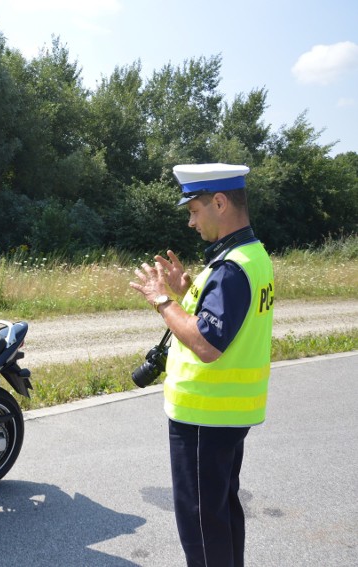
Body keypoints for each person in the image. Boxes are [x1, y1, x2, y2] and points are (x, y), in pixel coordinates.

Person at [129, 163, 274, 567]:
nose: (191, 222)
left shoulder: (230, 268)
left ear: (221, 202)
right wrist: (188, 290)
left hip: (204, 417)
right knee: (222, 514)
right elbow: (227, 320)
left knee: (202, 527)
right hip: (227, 413)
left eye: (194, 210)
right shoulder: (251, 256)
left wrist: (163, 300)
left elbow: (208, 343)